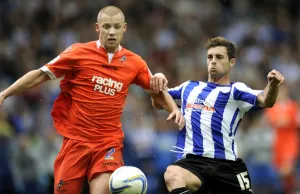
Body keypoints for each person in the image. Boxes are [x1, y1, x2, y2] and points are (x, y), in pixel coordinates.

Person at [0, 6, 185, 194]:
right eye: (106, 26)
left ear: (124, 28)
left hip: (108, 143)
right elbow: (40, 75)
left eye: (116, 27)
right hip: (76, 141)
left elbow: (156, 89)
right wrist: (4, 94)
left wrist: (174, 109)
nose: (111, 31)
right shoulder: (78, 53)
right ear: (97, 28)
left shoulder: (134, 62)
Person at [152, 36, 285, 194]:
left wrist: (273, 85)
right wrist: (157, 81)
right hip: (194, 163)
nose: (213, 61)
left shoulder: (236, 90)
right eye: (210, 57)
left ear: (232, 62)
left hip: (227, 166)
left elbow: (265, 100)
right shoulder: (189, 87)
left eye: (219, 57)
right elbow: (159, 101)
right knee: (172, 174)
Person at [265, 85, 299, 194]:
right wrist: (285, 120)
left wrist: (284, 120)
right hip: (278, 142)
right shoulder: (272, 106)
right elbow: (273, 121)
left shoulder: (293, 105)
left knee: (287, 169)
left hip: (290, 141)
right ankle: (291, 190)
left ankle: (293, 189)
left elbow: (294, 121)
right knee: (280, 172)